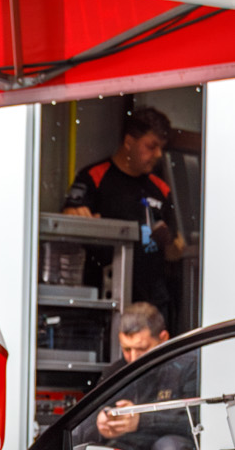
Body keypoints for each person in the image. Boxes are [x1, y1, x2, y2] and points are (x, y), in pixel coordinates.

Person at [63, 106, 183, 326]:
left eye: (161, 148)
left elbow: (175, 248)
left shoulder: (161, 188)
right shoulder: (94, 177)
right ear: (129, 142)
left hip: (152, 303)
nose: (158, 155)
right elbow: (67, 218)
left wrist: (174, 247)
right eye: (151, 146)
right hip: (104, 299)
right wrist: (75, 216)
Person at [90, 303, 199, 450]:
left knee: (168, 449)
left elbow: (198, 421)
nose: (134, 358)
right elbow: (86, 421)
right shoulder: (115, 373)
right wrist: (101, 425)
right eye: (127, 349)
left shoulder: (188, 367)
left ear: (163, 339)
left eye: (142, 349)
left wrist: (141, 420)